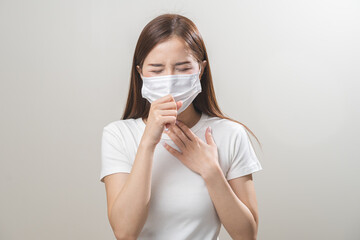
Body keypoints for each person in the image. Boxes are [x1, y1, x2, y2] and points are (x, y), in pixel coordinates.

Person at [100, 13, 263, 240]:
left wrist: (211, 171)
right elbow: (125, 232)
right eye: (156, 70)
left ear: (201, 69)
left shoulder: (230, 135)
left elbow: (247, 235)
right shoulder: (118, 135)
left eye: (183, 67)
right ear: (140, 73)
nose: (169, 79)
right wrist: (148, 142)